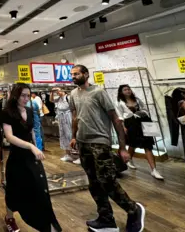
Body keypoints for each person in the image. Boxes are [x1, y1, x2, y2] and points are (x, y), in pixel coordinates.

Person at [69, 65, 145, 232]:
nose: (73, 77)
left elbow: (115, 119)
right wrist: (74, 136)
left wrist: (123, 148)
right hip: (83, 142)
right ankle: (106, 218)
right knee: (93, 182)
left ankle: (133, 210)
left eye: (76, 74)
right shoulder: (73, 94)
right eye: (72, 74)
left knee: (107, 181)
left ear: (86, 74)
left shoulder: (98, 92)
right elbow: (75, 117)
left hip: (100, 142)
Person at [2, 83, 61, 232]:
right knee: (13, 190)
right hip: (17, 157)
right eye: (23, 95)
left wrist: (36, 146)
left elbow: (32, 131)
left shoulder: (29, 109)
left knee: (39, 188)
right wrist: (31, 146)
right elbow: (9, 137)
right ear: (15, 95)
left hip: (31, 157)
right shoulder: (7, 112)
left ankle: (46, 223)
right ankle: (9, 217)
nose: (26, 98)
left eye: (28, 95)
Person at [116, 85, 163, 180]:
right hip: (131, 123)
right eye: (125, 90)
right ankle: (128, 160)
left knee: (148, 145)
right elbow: (120, 116)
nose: (128, 91)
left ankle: (154, 170)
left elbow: (145, 109)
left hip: (143, 122)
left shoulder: (136, 99)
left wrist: (141, 113)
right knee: (133, 144)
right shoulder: (119, 103)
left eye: (129, 89)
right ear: (121, 92)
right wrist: (123, 127)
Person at [50, 88, 76, 163]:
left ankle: (76, 153)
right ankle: (68, 154)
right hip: (61, 119)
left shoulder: (68, 97)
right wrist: (52, 92)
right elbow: (51, 100)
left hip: (68, 117)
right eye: (57, 91)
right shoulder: (59, 98)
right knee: (63, 136)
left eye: (59, 90)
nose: (58, 92)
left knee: (70, 135)